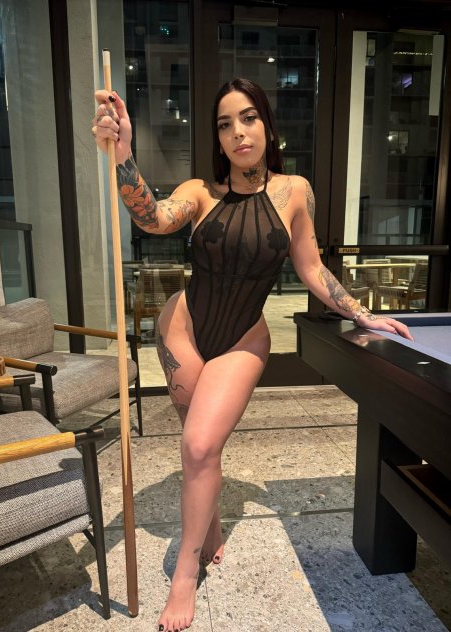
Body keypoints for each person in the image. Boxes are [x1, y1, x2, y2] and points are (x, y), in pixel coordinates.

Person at [92, 77, 412, 632]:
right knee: (201, 447)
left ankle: (184, 573)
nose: (238, 132)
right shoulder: (201, 192)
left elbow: (311, 267)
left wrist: (360, 312)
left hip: (243, 338)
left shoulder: (295, 192)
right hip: (184, 329)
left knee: (198, 444)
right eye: (225, 124)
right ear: (217, 138)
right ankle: (209, 523)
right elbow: (152, 218)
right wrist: (123, 156)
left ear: (267, 125)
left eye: (248, 118)